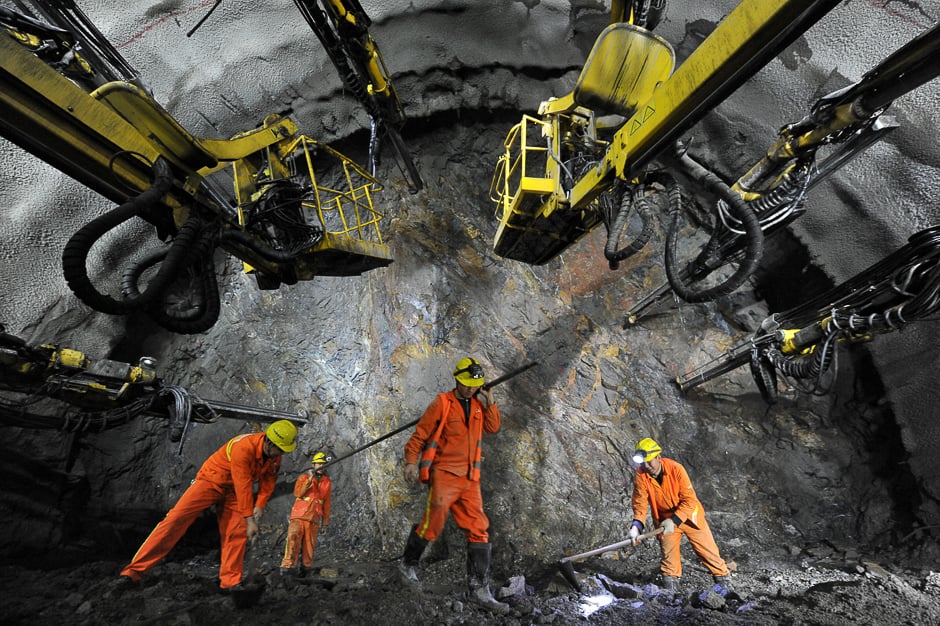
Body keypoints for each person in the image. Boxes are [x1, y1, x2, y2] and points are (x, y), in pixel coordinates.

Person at [119, 420, 298, 590]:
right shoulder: (244, 448)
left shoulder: (274, 456)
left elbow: (268, 481)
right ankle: (134, 571)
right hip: (211, 481)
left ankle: (230, 583)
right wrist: (250, 519)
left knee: (236, 532)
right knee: (175, 520)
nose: (281, 454)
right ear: (268, 442)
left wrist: (259, 504)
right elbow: (243, 484)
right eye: (280, 450)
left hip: (233, 492)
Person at [399, 357, 509, 614]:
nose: (471, 389)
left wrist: (490, 400)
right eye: (467, 384)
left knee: (479, 529)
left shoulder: (480, 406)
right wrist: (411, 463)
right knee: (432, 525)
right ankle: (407, 565)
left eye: (475, 385)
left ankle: (479, 589)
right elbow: (419, 436)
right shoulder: (442, 404)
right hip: (445, 475)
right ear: (457, 379)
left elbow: (493, 427)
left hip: (470, 479)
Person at [628, 437, 733, 593]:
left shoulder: (676, 469)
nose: (647, 466)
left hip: (690, 516)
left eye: (650, 461)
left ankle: (725, 586)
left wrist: (675, 520)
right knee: (669, 558)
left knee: (708, 552)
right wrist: (636, 526)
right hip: (665, 521)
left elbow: (690, 500)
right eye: (644, 463)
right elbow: (640, 503)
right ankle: (670, 593)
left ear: (658, 457)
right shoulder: (641, 475)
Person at [280, 451, 332, 577]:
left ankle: (305, 570)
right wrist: (309, 479)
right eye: (319, 463)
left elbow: (326, 504)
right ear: (313, 464)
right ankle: (287, 569)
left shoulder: (327, 482)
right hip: (299, 515)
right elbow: (298, 493)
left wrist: (325, 524)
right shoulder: (303, 478)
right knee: (293, 540)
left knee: (310, 545)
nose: (321, 466)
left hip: (314, 518)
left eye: (323, 464)